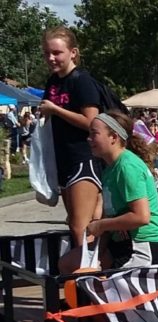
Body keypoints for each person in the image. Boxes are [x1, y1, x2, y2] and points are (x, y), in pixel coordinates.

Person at [59, 111, 158, 273]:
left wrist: (101, 225)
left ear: (113, 137)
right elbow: (110, 216)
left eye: (94, 134)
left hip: (144, 245)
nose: (88, 139)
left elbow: (141, 216)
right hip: (122, 244)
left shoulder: (127, 166)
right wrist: (96, 254)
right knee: (69, 264)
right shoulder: (110, 170)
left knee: (91, 280)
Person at [40, 26, 103, 249]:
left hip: (83, 158)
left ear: (73, 52)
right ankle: (88, 264)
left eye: (57, 53)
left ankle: (90, 268)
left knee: (80, 226)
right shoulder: (53, 82)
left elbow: (91, 122)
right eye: (47, 53)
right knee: (75, 223)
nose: (51, 58)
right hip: (63, 158)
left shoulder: (81, 81)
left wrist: (56, 110)